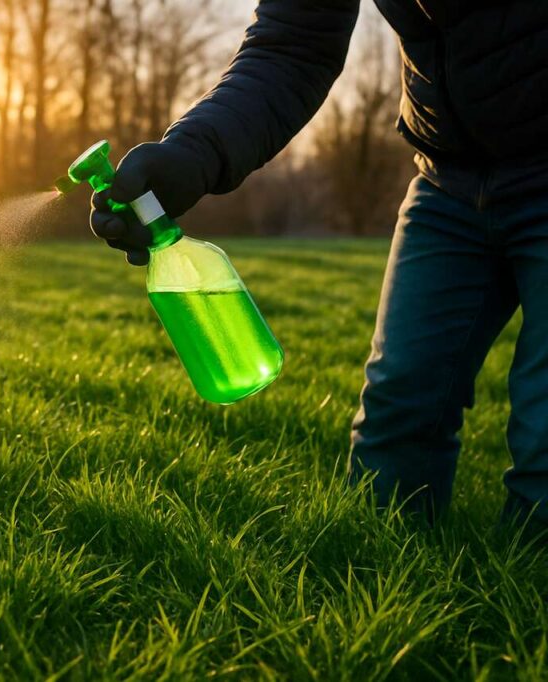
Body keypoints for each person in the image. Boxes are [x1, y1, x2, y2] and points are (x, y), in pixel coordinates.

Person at [91, 0, 548, 524]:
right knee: (398, 417)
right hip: (449, 180)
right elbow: (293, 46)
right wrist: (191, 155)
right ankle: (392, 591)